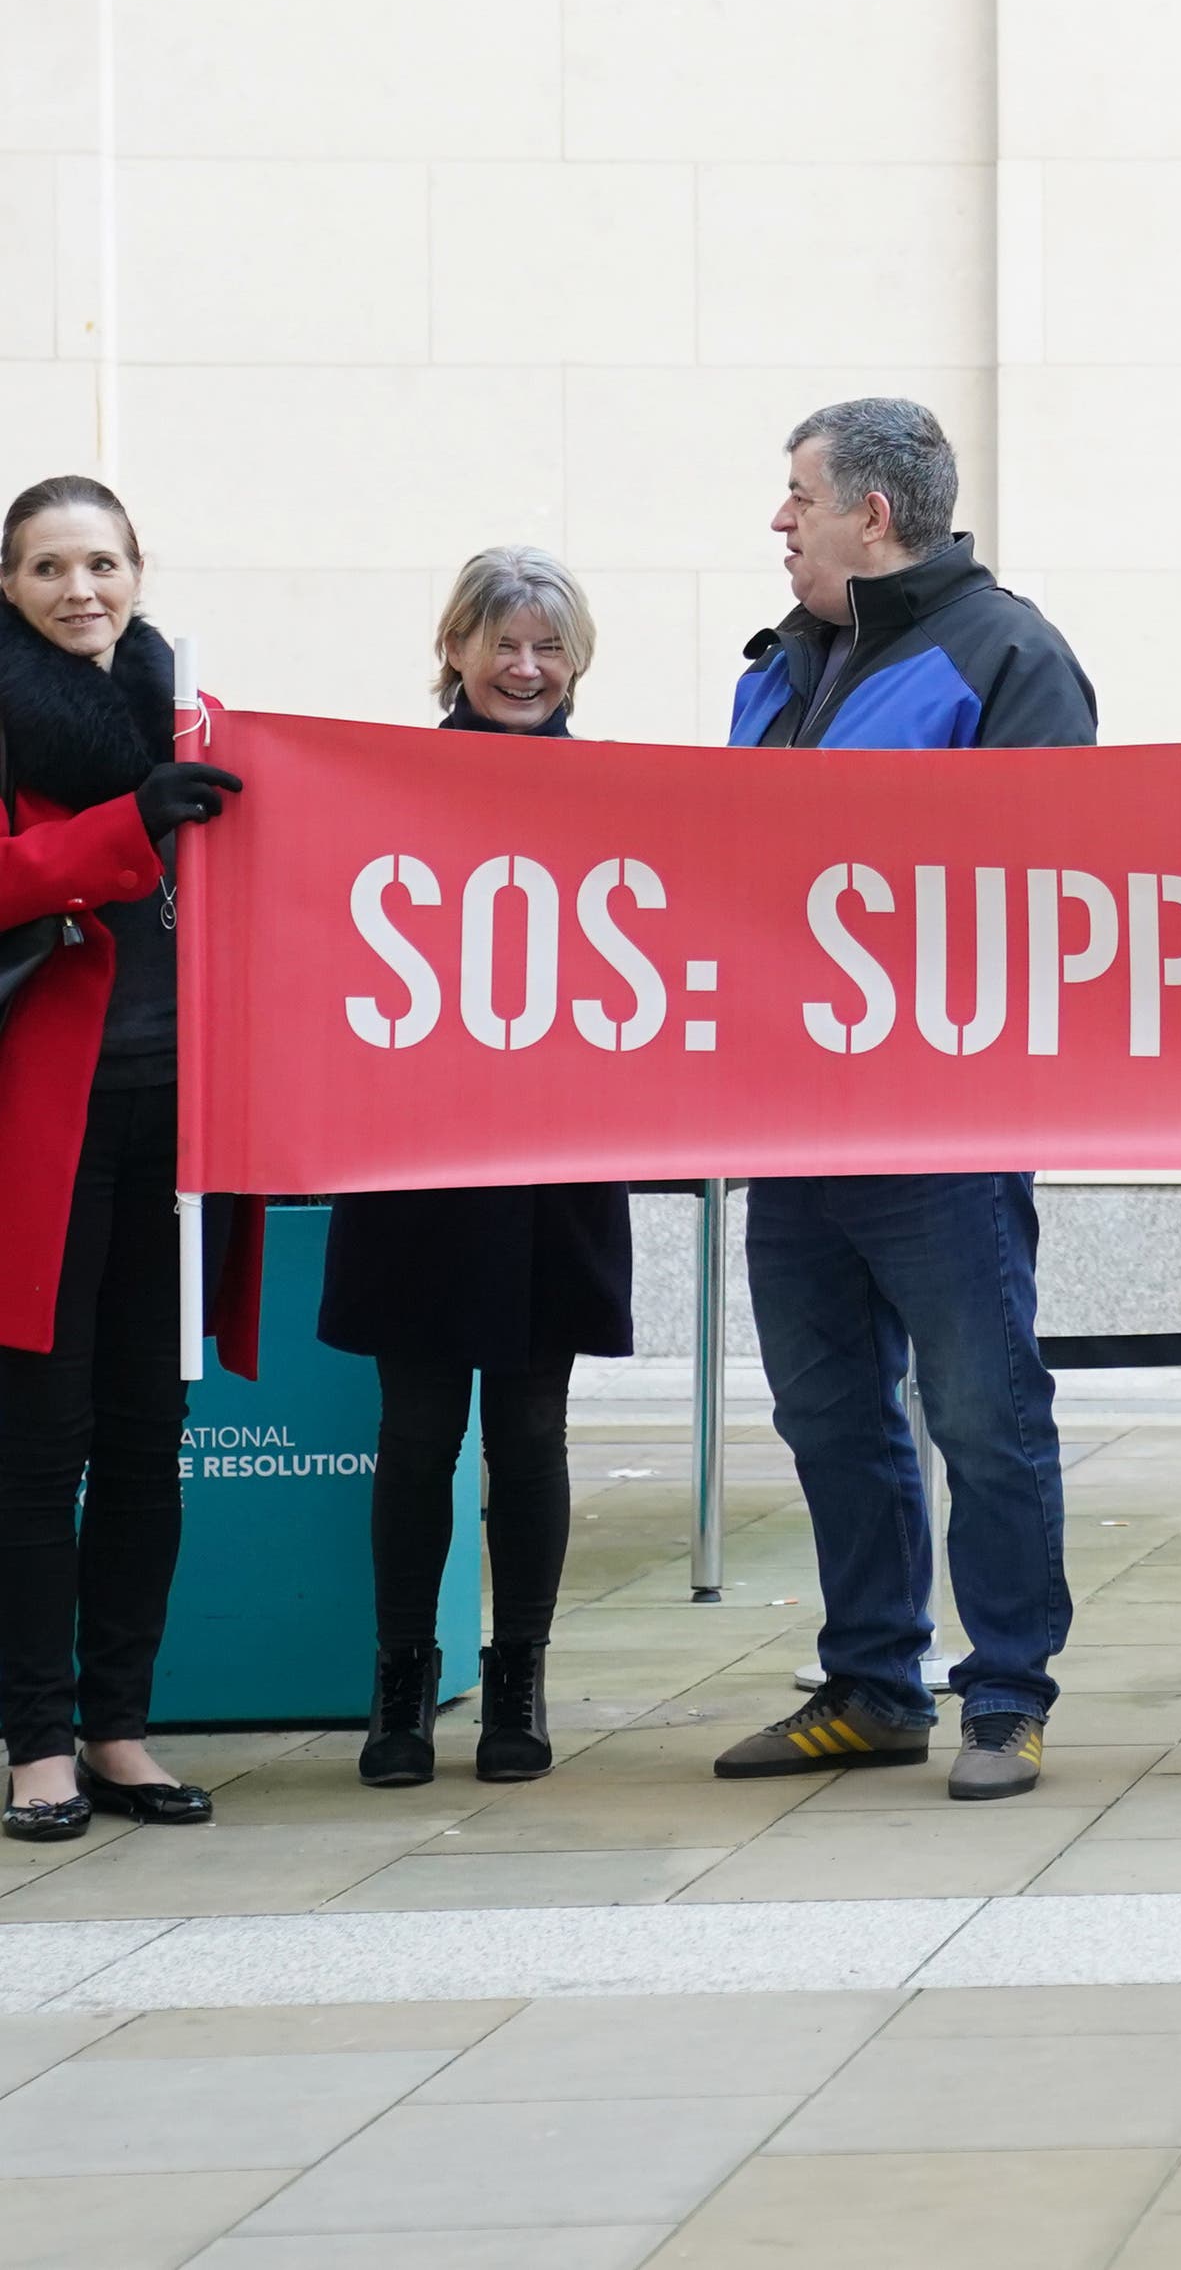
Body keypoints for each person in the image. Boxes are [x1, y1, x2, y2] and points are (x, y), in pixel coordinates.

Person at [709, 398, 1099, 1803]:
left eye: (796, 495)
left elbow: (1050, 887)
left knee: (984, 1410)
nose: (780, 520)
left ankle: (1004, 1694)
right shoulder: (778, 669)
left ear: (869, 514)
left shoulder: (1009, 656)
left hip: (943, 1129)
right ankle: (873, 1683)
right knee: (827, 1413)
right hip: (794, 1122)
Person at [322, 550, 638, 1788]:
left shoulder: (621, 793)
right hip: (418, 1149)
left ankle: (519, 1678)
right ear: (452, 650)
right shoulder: (383, 781)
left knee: (532, 1429)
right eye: (500, 643)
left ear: (577, 660)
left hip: (557, 1155)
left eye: (547, 647)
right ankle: (402, 1685)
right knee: (413, 1434)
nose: (524, 668)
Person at [0, 476, 240, 1840]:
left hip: (175, 1124)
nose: (79, 588)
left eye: (100, 562)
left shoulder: (183, 707)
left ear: (138, 570)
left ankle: (118, 1728)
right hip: (45, 1124)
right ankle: (37, 1743)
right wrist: (124, 825)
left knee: (153, 1436)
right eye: (47, 567)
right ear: (9, 583)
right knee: (43, 1445)